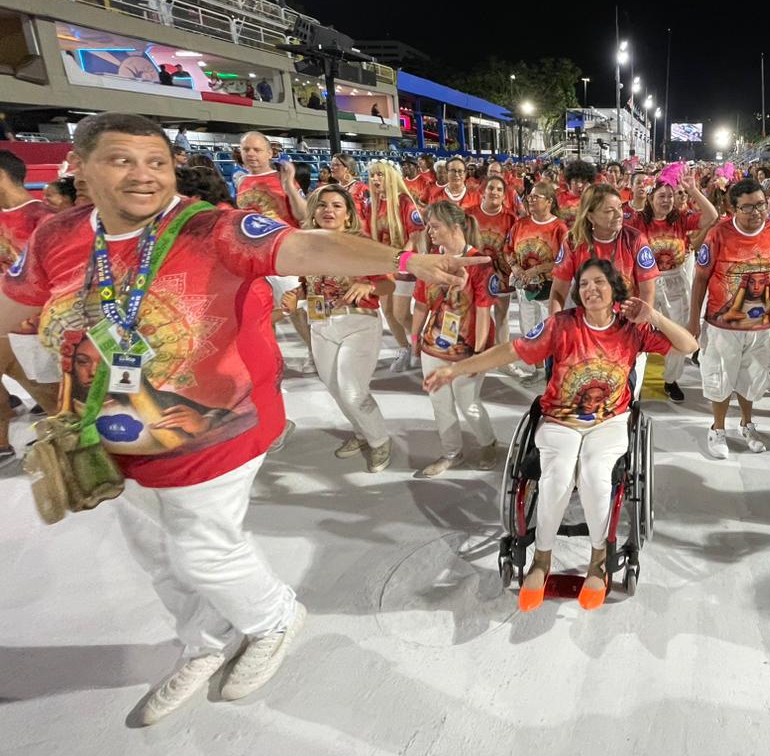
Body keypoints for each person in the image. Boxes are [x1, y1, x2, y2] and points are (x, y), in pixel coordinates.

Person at [0, 111, 483, 723]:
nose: (144, 176)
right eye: (122, 160)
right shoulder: (56, 236)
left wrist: (404, 263)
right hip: (108, 434)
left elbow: (307, 244)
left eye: (156, 162)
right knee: (154, 554)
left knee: (203, 550)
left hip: (215, 431)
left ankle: (273, 619)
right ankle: (203, 643)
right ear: (81, 169)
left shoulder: (212, 228)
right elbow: (11, 305)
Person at [425, 259, 697, 611]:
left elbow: (688, 346)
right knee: (556, 475)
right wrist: (455, 370)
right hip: (559, 418)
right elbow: (511, 350)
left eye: (600, 282)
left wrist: (654, 317)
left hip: (609, 420)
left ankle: (599, 561)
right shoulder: (561, 325)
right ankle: (541, 559)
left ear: (615, 290)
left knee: (596, 474)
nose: (591, 289)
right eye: (584, 284)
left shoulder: (633, 329)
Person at [689, 178, 770, 458]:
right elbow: (700, 278)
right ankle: (717, 429)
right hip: (722, 326)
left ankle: (747, 424)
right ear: (733, 208)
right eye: (748, 207)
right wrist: (694, 320)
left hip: (764, 326)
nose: (756, 212)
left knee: (752, 378)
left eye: (761, 205)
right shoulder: (718, 234)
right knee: (720, 378)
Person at [282, 185, 394, 473]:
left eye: (336, 206)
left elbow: (388, 283)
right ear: (314, 212)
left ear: (348, 214)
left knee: (352, 390)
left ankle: (380, 440)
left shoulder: (361, 243)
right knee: (333, 387)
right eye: (322, 205)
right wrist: (297, 296)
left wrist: (369, 284)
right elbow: (308, 286)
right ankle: (361, 434)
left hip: (358, 324)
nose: (328, 211)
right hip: (320, 324)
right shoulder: (305, 244)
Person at [411, 201, 498, 478]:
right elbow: (422, 304)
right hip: (433, 344)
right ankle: (451, 452)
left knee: (467, 403)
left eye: (435, 226)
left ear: (456, 227)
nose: (430, 231)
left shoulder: (479, 263)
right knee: (440, 403)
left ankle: (488, 442)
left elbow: (484, 311)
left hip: (467, 348)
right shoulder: (430, 261)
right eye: (428, 226)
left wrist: (480, 354)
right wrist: (414, 336)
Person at [633, 171, 718, 400]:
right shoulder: (638, 220)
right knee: (637, 332)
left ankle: (671, 380)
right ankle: (632, 380)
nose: (667, 200)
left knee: (677, 332)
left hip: (675, 281)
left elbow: (712, 215)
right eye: (661, 195)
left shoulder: (680, 218)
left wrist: (693, 190)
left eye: (670, 196)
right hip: (645, 282)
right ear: (651, 198)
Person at [236, 132, 313, 373]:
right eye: (246, 149)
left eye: (257, 150)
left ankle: (316, 352)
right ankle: (270, 360)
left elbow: (303, 215)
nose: (250, 154)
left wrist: (289, 185)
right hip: (254, 257)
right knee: (260, 311)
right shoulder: (241, 182)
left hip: (284, 254)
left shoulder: (282, 179)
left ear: (270, 153)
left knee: (297, 310)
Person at [0, 151, 59, 464]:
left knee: (56, 396)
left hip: (44, 327)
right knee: (45, 392)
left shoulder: (43, 219)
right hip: (14, 325)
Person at [549, 184, 658, 313]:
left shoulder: (636, 240)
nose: (618, 215)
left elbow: (647, 291)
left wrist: (639, 325)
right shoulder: (573, 243)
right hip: (587, 320)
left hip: (626, 320)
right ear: (590, 216)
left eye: (619, 208)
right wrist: (556, 324)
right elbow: (558, 291)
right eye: (609, 211)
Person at [366, 160, 426, 372]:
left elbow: (416, 234)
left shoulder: (404, 202)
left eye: (380, 175)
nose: (375, 180)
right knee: (388, 312)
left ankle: (422, 346)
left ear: (391, 177)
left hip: (404, 264)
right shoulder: (372, 205)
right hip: (383, 265)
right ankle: (404, 347)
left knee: (401, 313)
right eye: (373, 176)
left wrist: (401, 259)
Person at [506, 181, 568, 347]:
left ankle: (548, 368)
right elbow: (508, 250)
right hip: (525, 287)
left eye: (536, 197)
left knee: (549, 329)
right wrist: (515, 267)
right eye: (529, 197)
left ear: (549, 201)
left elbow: (565, 261)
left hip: (550, 288)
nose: (530, 200)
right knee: (528, 329)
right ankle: (537, 368)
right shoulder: (520, 224)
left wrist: (537, 270)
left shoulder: (559, 228)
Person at [470, 174, 519, 348]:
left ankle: (501, 357)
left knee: (501, 315)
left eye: (499, 189)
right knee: (475, 314)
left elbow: (513, 247)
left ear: (505, 195)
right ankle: (477, 353)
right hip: (474, 274)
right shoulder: (469, 215)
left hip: (501, 274)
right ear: (483, 191)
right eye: (491, 188)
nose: (495, 192)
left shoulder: (511, 218)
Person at [557, 159, 596, 227]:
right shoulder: (560, 196)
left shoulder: (593, 198)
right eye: (575, 181)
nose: (580, 185)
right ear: (569, 182)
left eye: (584, 181)